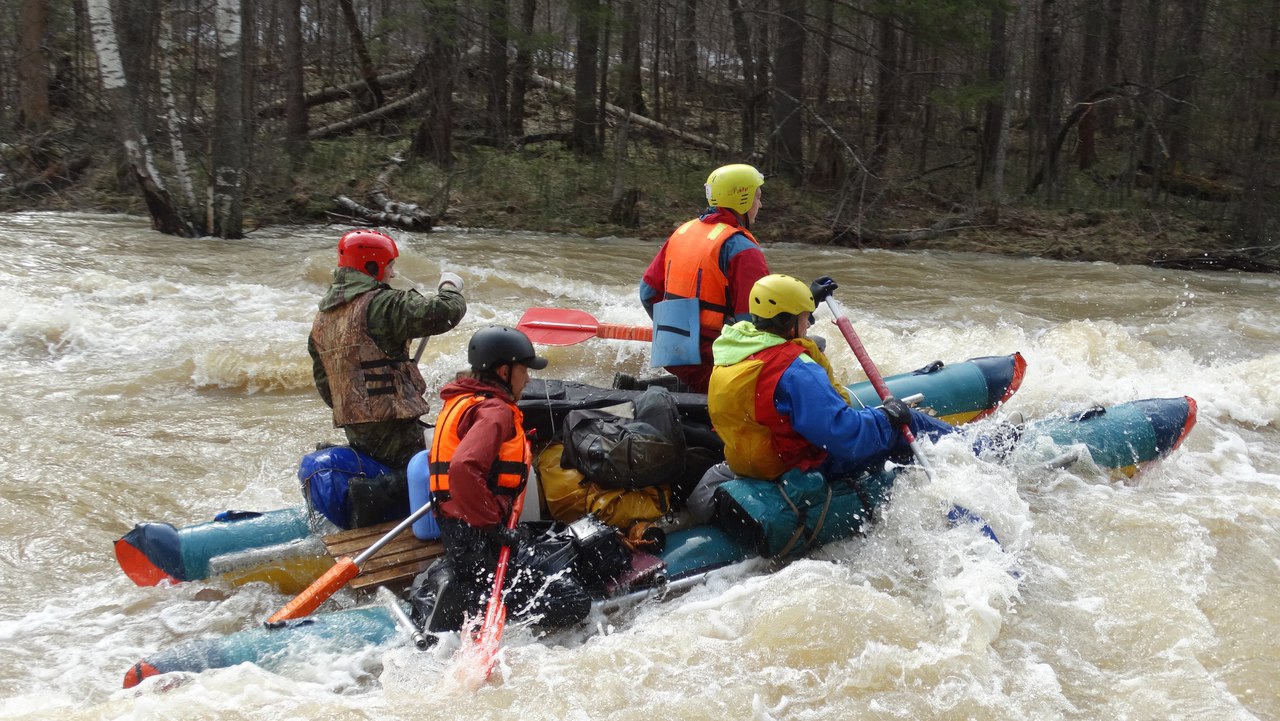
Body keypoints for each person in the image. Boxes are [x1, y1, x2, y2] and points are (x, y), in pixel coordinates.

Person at [410, 326, 591, 635]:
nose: (529, 379)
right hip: (481, 539)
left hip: (461, 537)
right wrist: (493, 526)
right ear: (505, 370)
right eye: (524, 370)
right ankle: (460, 603)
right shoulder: (495, 411)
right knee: (573, 601)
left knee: (536, 555)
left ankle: (454, 582)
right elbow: (463, 468)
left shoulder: (464, 400)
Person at [707, 274, 954, 484]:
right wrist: (887, 417)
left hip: (755, 460)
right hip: (800, 464)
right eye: (805, 316)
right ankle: (977, 450)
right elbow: (844, 435)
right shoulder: (795, 371)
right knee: (911, 422)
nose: (809, 323)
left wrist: (804, 301)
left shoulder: (735, 346)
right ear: (787, 320)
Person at [308, 228, 467, 526]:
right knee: (444, 466)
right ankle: (371, 497)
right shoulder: (382, 304)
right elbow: (444, 312)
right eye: (390, 265)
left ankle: (368, 483)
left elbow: (324, 384)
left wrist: (358, 407)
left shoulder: (322, 318)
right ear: (372, 266)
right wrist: (450, 288)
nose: (392, 274)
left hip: (357, 428)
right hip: (393, 426)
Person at [638, 163, 771, 392]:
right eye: (758, 197)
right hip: (714, 360)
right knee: (812, 346)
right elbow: (754, 324)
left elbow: (647, 294)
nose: (760, 204)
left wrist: (677, 332)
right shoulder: (742, 248)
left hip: (674, 354)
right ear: (744, 199)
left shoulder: (683, 232)